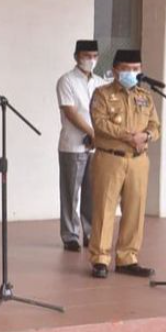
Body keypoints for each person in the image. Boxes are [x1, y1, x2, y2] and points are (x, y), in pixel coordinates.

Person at [89, 49, 160, 279]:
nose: (132, 73)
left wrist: (146, 136)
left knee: (135, 210)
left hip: (138, 161)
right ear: (116, 70)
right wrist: (129, 136)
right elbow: (100, 123)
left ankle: (127, 258)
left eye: (136, 69)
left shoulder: (145, 96)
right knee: (104, 208)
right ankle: (100, 258)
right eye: (128, 69)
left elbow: (155, 126)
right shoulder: (102, 94)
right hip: (110, 157)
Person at [56, 39, 107, 252]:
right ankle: (70, 234)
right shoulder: (66, 80)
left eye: (94, 56)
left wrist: (99, 135)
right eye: (87, 56)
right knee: (70, 191)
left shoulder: (100, 82)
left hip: (96, 145)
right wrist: (91, 132)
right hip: (73, 144)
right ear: (77, 56)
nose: (91, 60)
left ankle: (89, 232)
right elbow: (71, 111)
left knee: (91, 191)